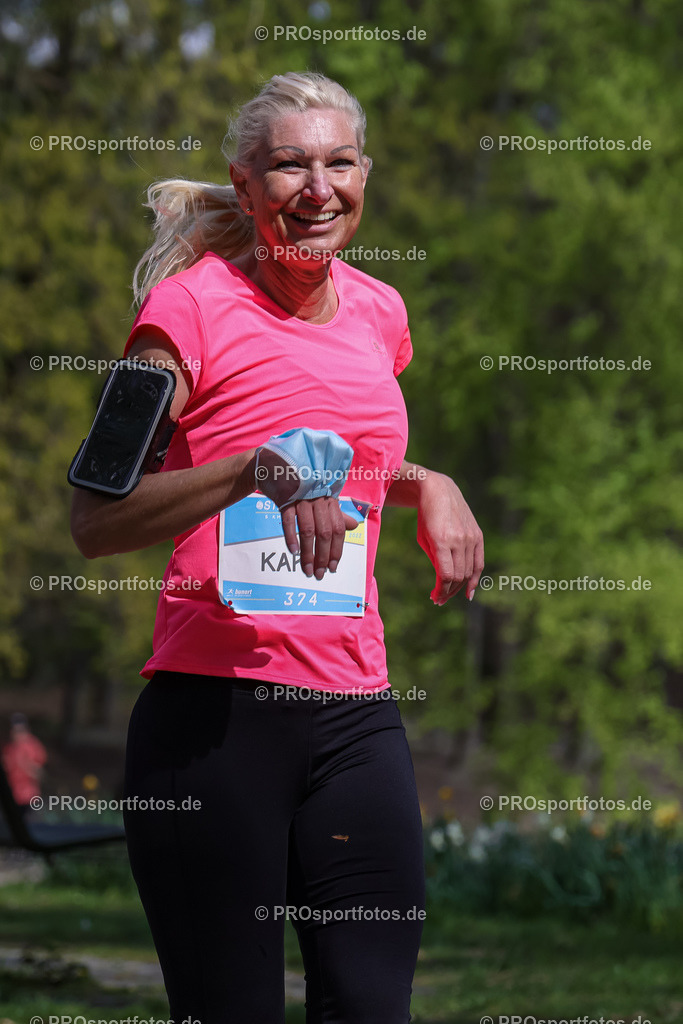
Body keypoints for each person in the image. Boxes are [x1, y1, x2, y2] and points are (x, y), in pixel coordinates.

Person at [70, 72, 484, 1024]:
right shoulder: (183, 315)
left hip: (353, 715)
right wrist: (250, 471)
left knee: (373, 1007)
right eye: (289, 165)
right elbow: (95, 519)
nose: (317, 187)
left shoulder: (382, 316)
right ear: (245, 184)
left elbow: (354, 454)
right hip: (213, 726)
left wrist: (431, 483)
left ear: (365, 176)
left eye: (338, 162)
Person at [1, 712, 47, 816]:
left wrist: (25, 765)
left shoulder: (33, 746)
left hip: (28, 797)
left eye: (20, 730)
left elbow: (40, 773)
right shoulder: (8, 748)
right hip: (12, 797)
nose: (17, 733)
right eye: (14, 730)